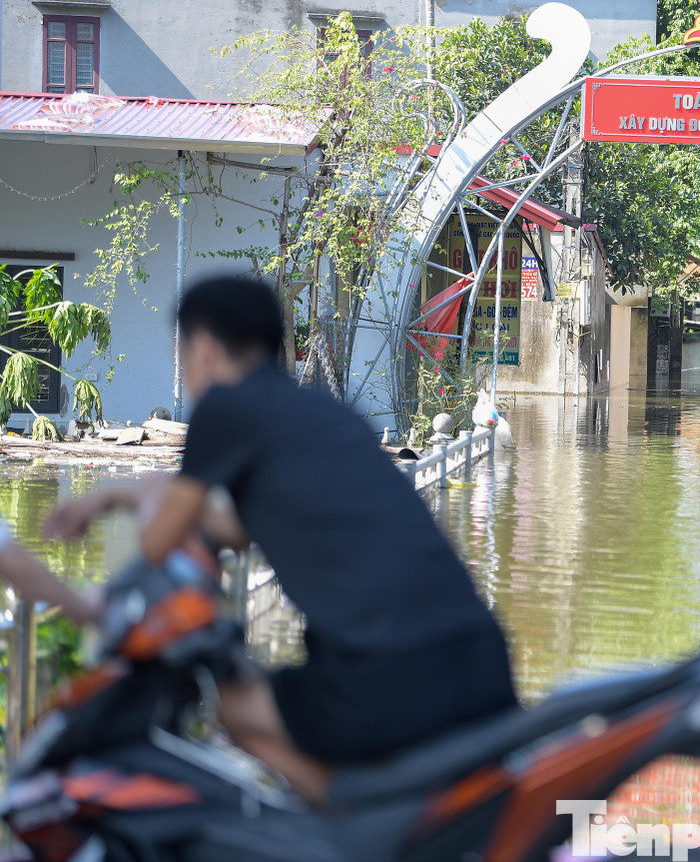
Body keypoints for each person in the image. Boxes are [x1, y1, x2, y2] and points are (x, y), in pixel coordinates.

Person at [43, 276, 517, 802]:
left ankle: (347, 827)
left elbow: (158, 544)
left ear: (201, 349)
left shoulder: (225, 409)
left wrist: (127, 498)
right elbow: (238, 531)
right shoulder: (323, 411)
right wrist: (114, 496)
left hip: (388, 678)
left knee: (229, 705)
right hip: (480, 659)